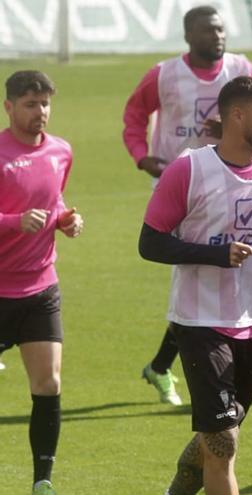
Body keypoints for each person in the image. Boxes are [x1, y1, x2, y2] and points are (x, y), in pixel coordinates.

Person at [138, 77, 252, 495]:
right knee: (224, 440)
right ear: (237, 116)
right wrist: (215, 254)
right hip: (199, 321)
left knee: (220, 433)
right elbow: (150, 242)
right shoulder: (189, 169)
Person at [122, 5, 252, 406]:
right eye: (206, 31)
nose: (216, 36)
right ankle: (166, 365)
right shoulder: (164, 74)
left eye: (220, 29)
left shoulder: (242, 68)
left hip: (230, 184)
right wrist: (141, 154)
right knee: (199, 275)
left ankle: (162, 365)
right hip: (177, 187)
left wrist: (234, 131)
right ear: (188, 36)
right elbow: (134, 113)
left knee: (207, 277)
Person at [0, 70, 84, 495]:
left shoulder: (61, 151)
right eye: (30, 104)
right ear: (9, 106)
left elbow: (55, 201)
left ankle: (42, 481)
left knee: (48, 383)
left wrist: (66, 220)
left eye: (45, 104)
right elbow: (21, 214)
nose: (40, 112)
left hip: (40, 289)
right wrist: (14, 222)